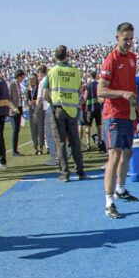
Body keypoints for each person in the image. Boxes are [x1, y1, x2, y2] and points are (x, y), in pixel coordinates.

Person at [98, 22, 139, 219]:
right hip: (113, 114)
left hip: (128, 114)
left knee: (128, 152)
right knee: (114, 156)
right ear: (117, 37)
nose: (129, 43)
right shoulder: (111, 60)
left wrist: (138, 107)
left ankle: (121, 189)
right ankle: (109, 203)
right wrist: (122, 93)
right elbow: (101, 91)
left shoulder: (133, 58)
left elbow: (131, 87)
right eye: (125, 39)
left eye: (131, 39)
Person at [46, 45, 85, 182]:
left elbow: (45, 93)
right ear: (66, 55)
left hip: (58, 108)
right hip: (73, 109)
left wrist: (52, 102)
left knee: (61, 142)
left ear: (55, 56)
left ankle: (65, 173)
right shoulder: (76, 71)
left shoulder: (52, 71)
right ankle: (80, 171)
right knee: (75, 141)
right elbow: (79, 90)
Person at [81, 71, 103, 151]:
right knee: (98, 126)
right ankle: (100, 142)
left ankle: (88, 144)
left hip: (90, 108)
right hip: (97, 107)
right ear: (96, 76)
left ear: (89, 76)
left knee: (88, 126)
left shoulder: (87, 85)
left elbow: (85, 98)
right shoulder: (98, 84)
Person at [32, 66, 48, 157]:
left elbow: (39, 98)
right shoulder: (49, 79)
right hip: (50, 105)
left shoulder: (42, 82)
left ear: (40, 73)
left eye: (38, 74)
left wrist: (35, 111)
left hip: (45, 107)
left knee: (45, 129)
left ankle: (52, 153)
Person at [8, 70, 25, 156]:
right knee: (15, 130)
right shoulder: (12, 84)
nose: (23, 78)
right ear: (19, 76)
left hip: (19, 108)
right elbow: (9, 98)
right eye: (22, 77)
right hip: (13, 110)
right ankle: (14, 151)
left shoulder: (18, 85)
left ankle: (15, 150)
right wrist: (14, 108)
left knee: (17, 129)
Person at [26, 72, 41, 155]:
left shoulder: (39, 87)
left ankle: (42, 147)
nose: (32, 80)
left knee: (40, 128)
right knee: (33, 130)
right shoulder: (28, 89)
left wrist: (34, 101)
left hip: (39, 110)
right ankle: (36, 147)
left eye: (34, 78)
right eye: (31, 78)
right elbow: (26, 100)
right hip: (31, 110)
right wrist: (28, 103)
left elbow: (40, 98)